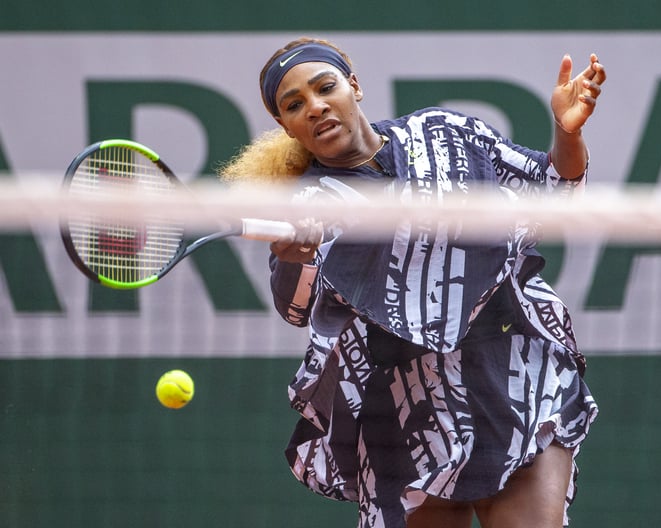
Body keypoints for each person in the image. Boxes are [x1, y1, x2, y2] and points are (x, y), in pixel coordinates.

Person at [221, 36, 606, 528]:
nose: (315, 107)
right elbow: (295, 308)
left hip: (514, 378)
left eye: (325, 88)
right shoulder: (303, 203)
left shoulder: (444, 131)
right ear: (284, 124)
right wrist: (297, 256)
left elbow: (553, 190)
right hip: (408, 412)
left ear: (353, 86)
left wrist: (566, 132)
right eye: (295, 104)